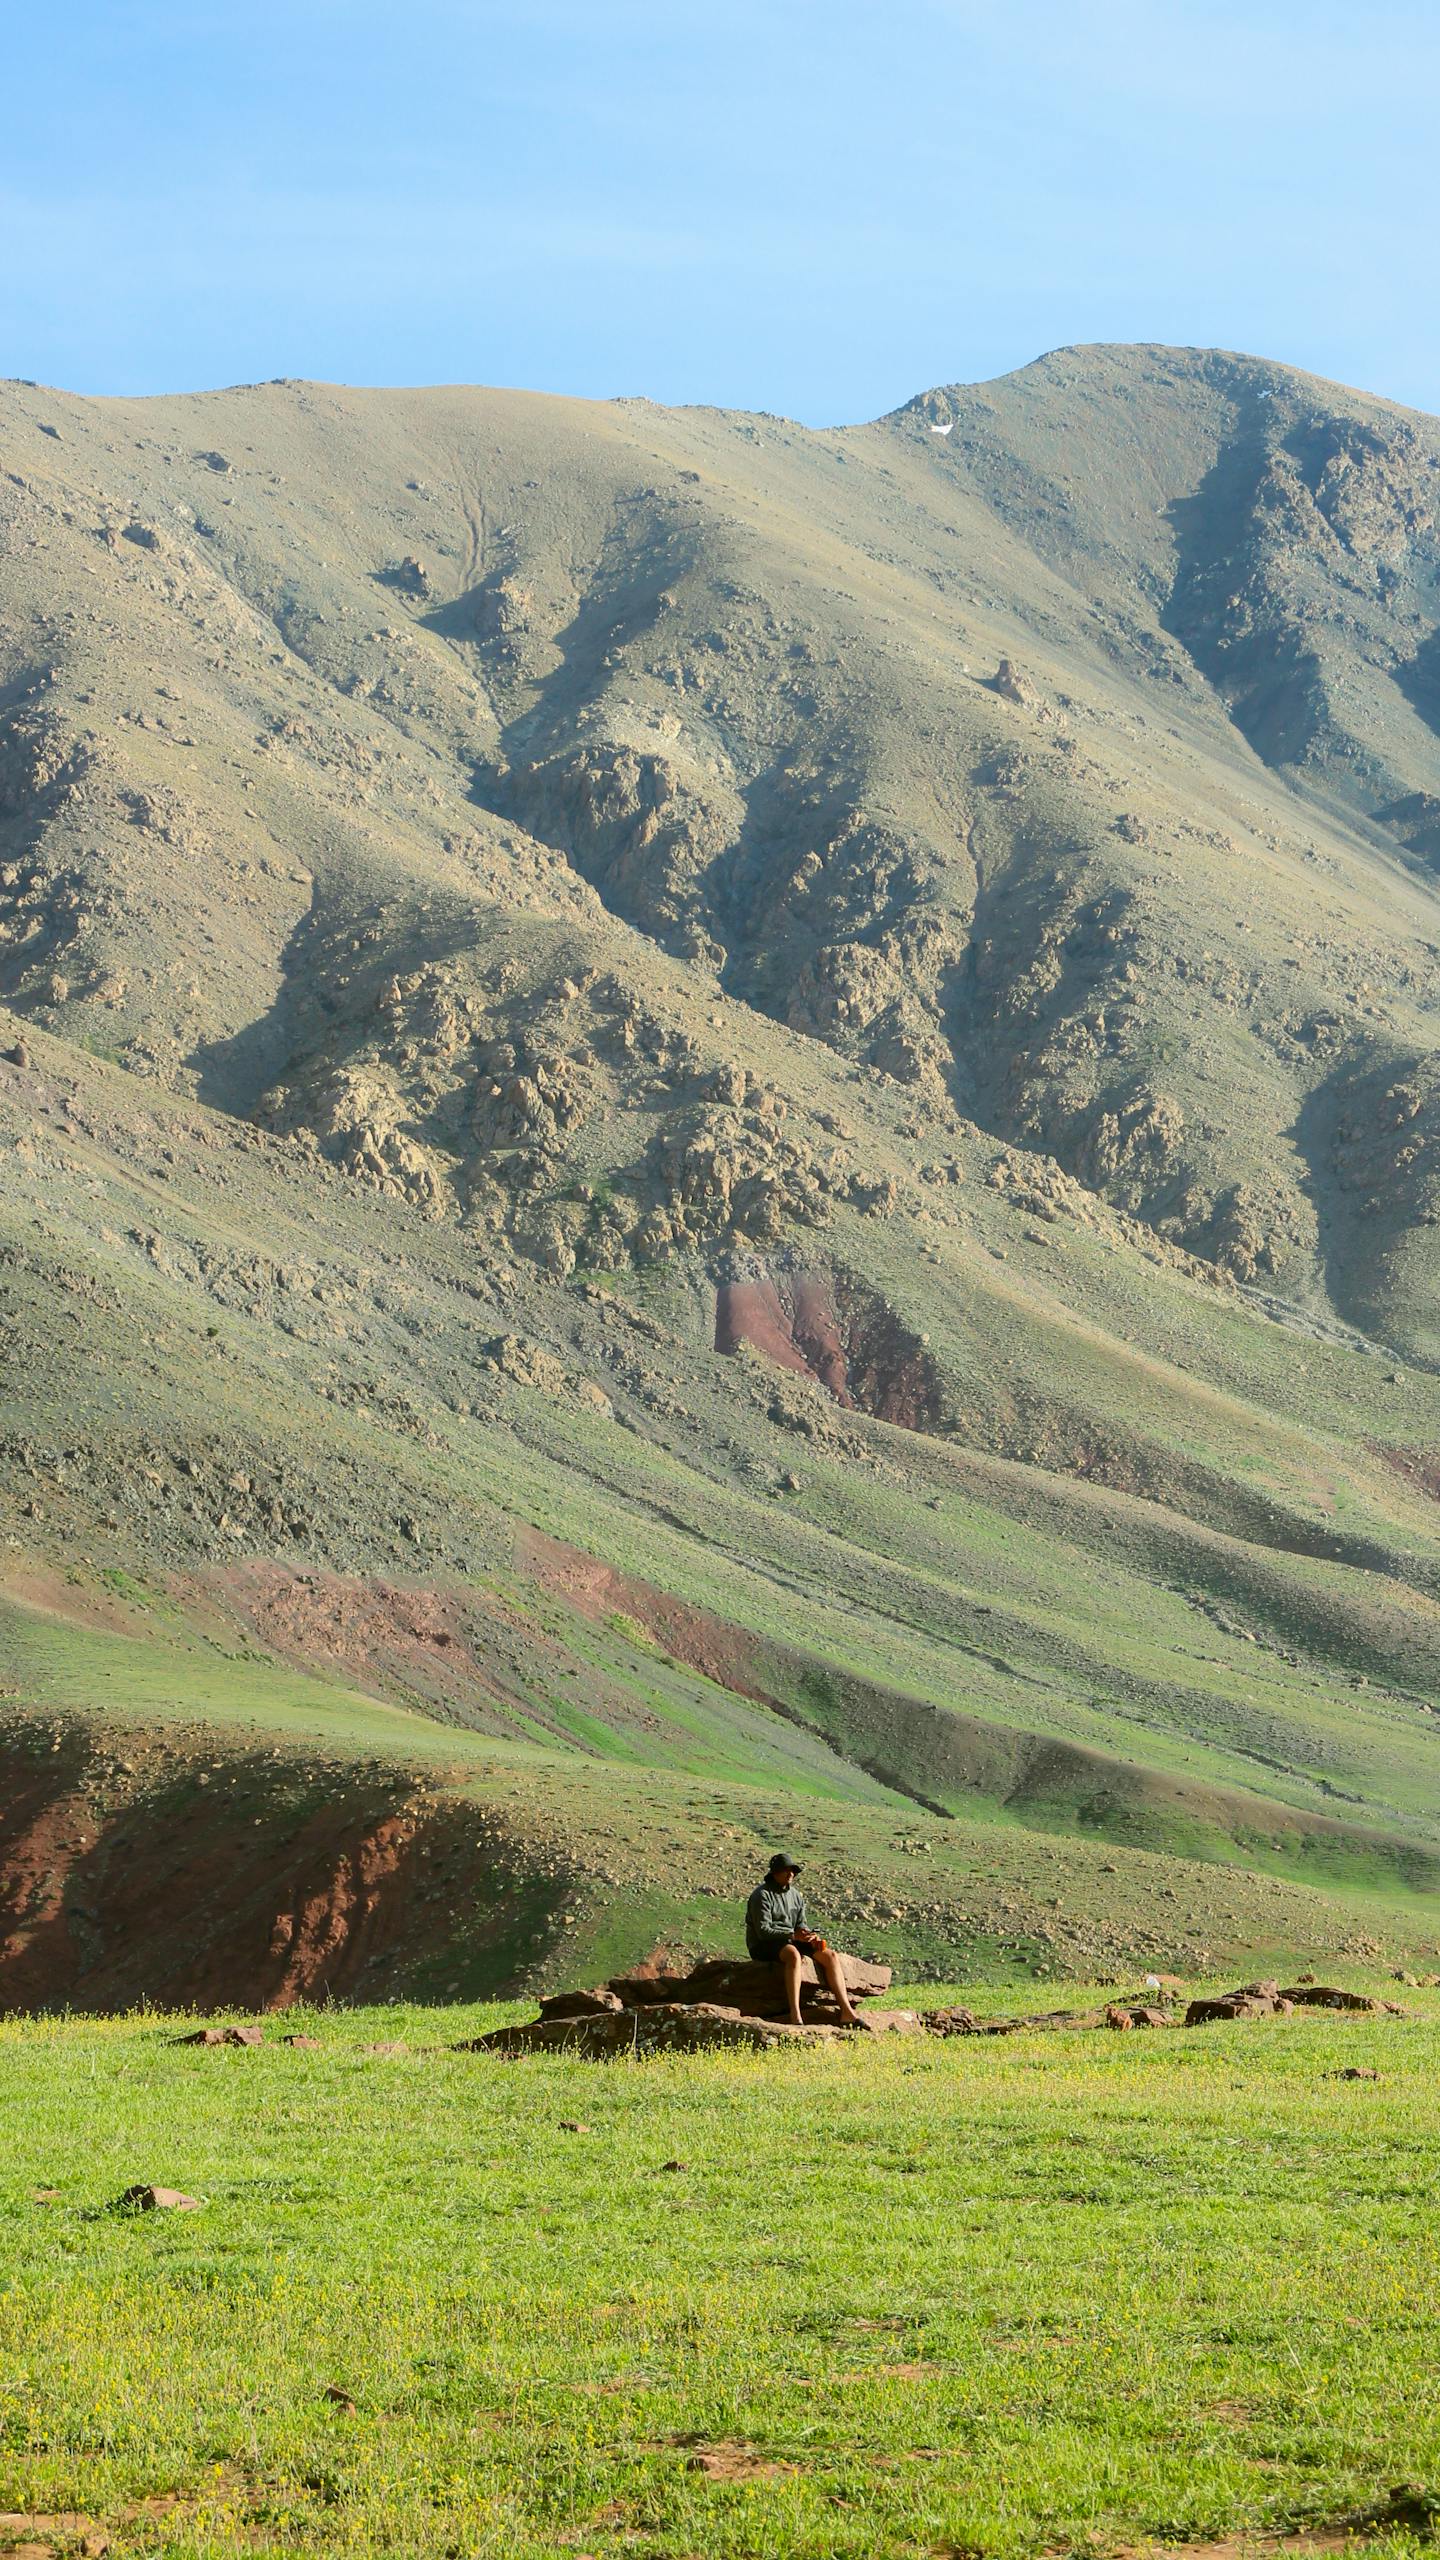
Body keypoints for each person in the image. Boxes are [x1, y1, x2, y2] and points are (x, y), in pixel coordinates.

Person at [744, 1852, 861, 2029]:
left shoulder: (796, 1896)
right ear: (775, 1872)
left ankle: (847, 2012)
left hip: (791, 1939)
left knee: (830, 1956)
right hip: (764, 1944)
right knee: (793, 1955)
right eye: (786, 1870)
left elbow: (801, 1924)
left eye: (793, 1871)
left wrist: (809, 1936)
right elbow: (763, 1932)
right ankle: (795, 2014)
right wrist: (792, 1936)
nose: (790, 1874)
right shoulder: (761, 1895)